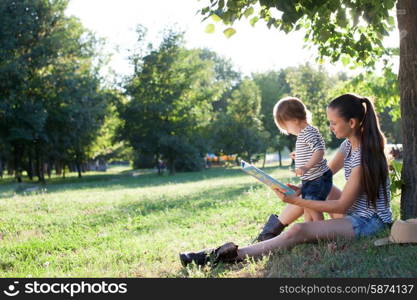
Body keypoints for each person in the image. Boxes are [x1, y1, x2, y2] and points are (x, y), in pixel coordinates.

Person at [179, 93, 392, 267]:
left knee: (299, 231)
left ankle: (230, 255)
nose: (331, 127)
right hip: (354, 213)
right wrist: (300, 188)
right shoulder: (348, 145)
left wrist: (296, 201)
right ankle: (268, 233)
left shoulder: (365, 157)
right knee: (314, 186)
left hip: (369, 223)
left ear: (352, 122)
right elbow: (324, 174)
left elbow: (342, 204)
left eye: (334, 123)